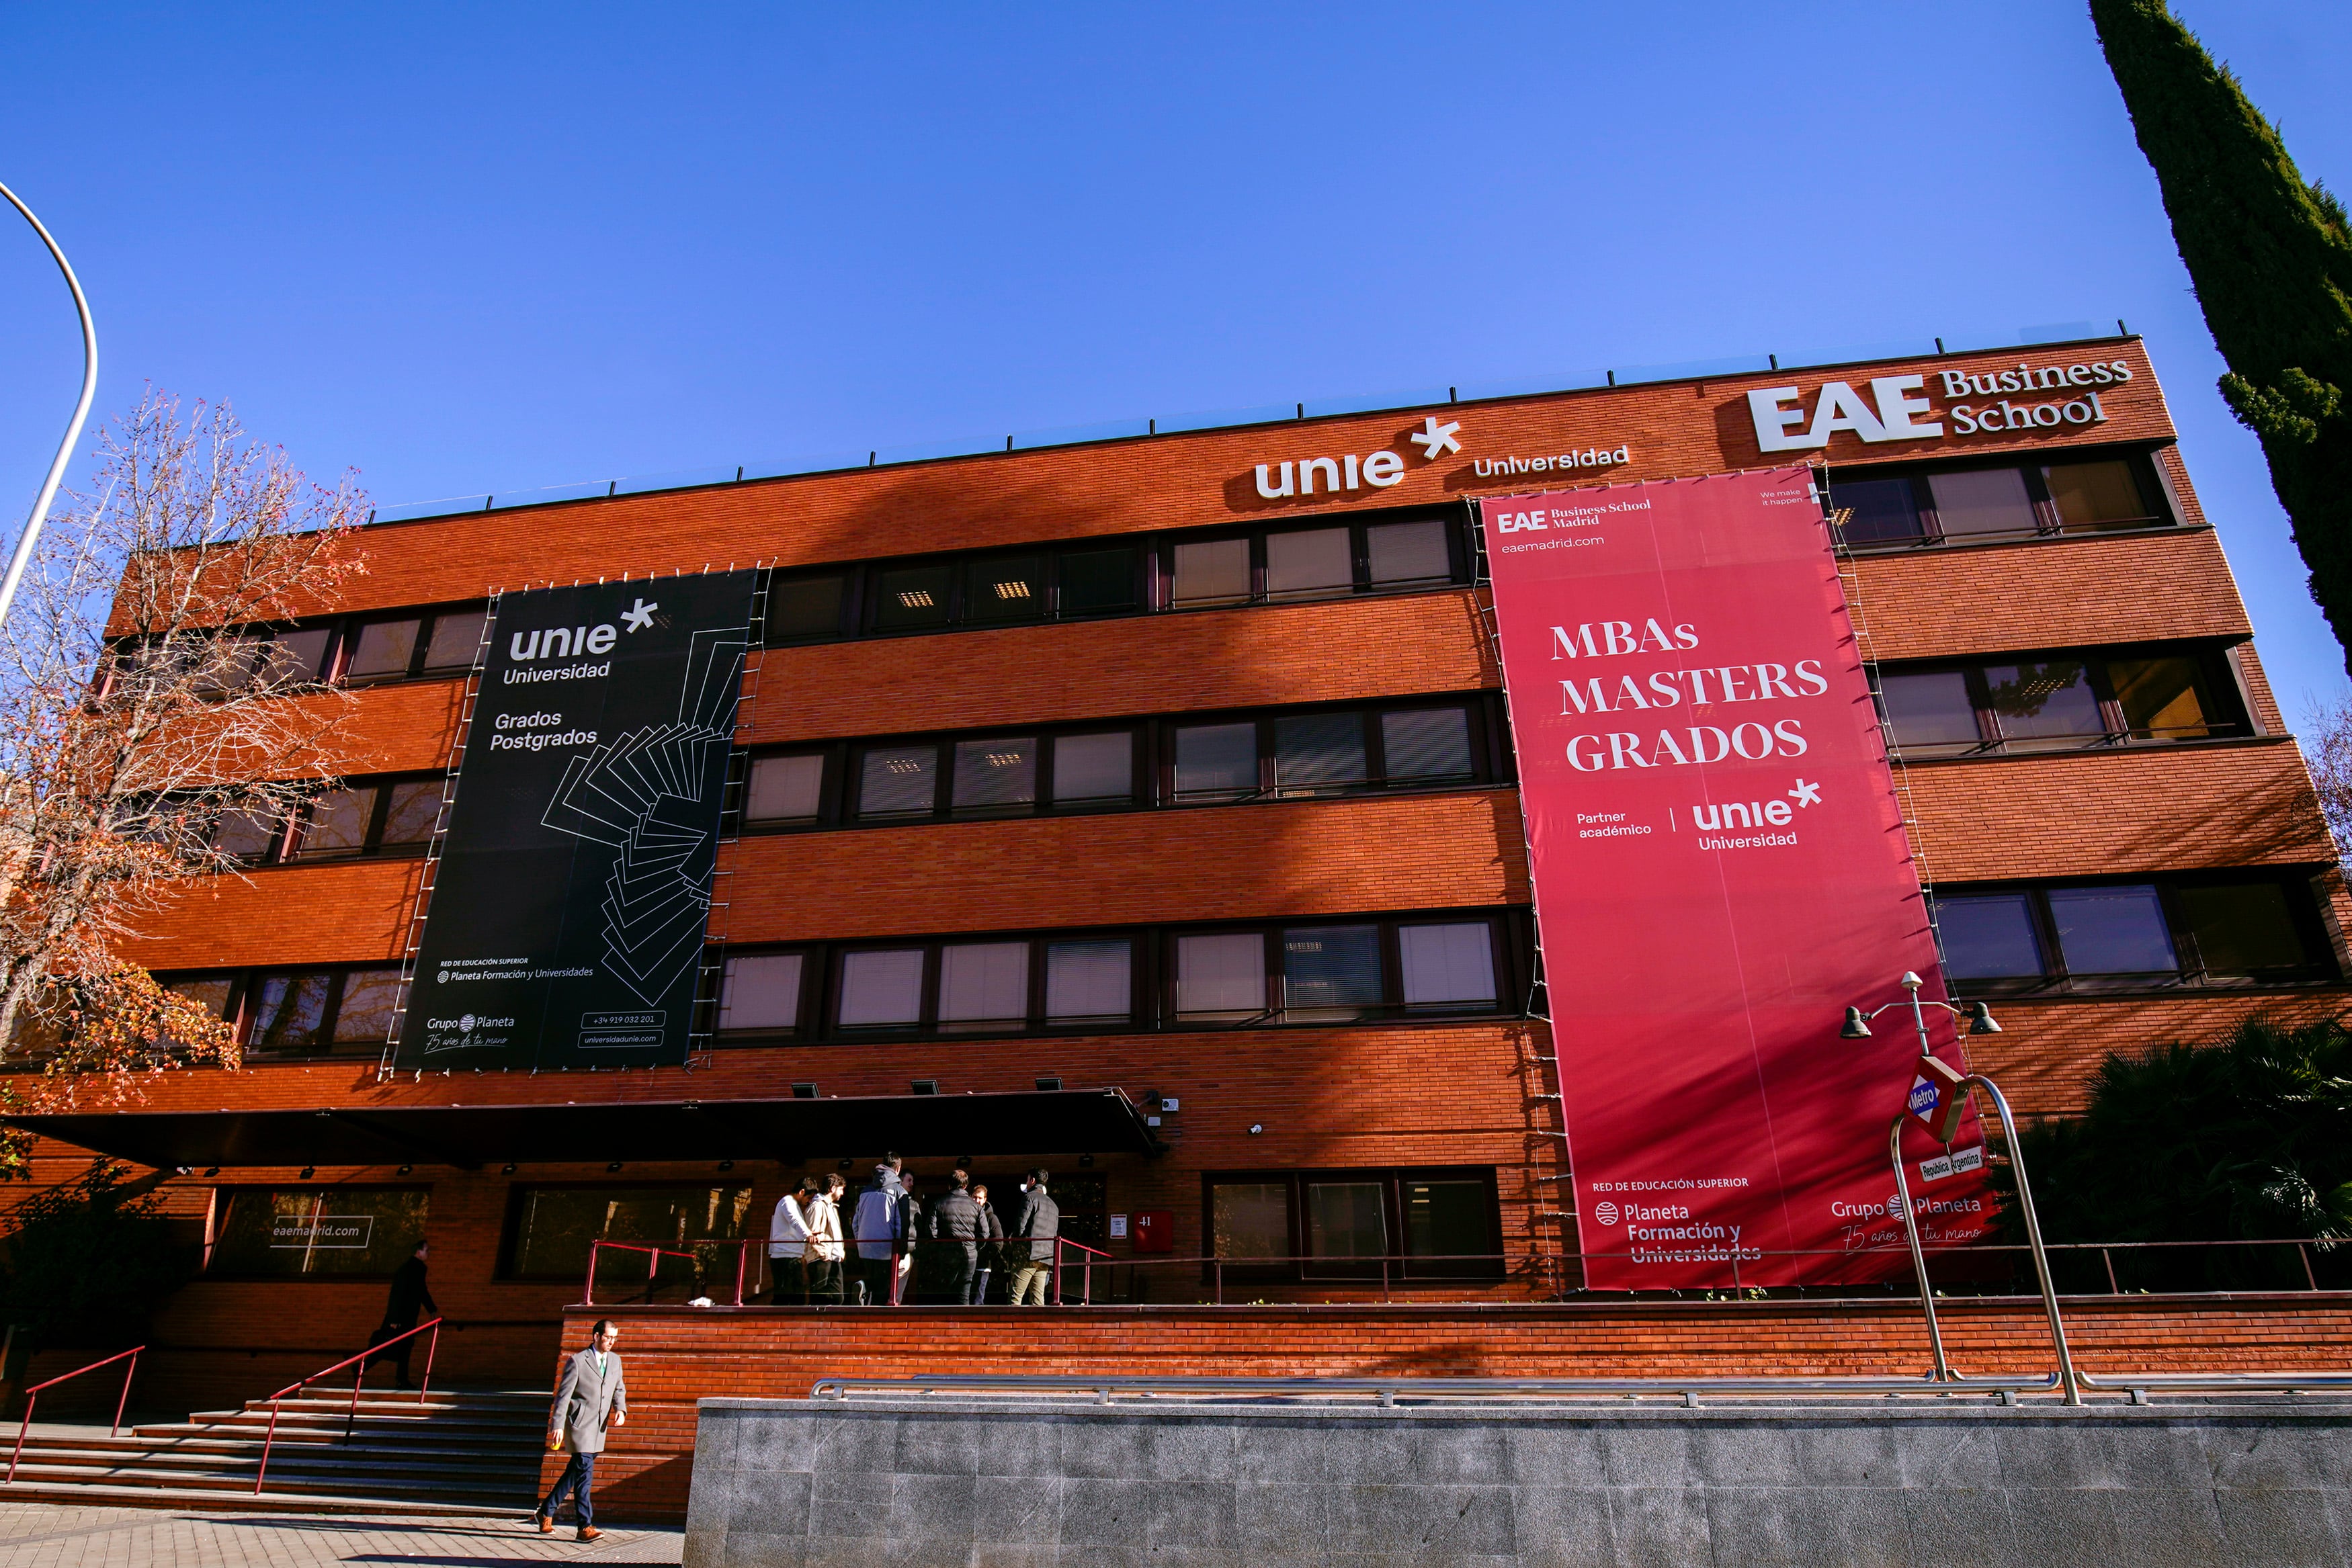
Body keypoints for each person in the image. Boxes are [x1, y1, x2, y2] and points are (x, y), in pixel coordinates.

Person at [536, 1318, 626, 1542]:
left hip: (599, 1428)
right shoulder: (577, 1361)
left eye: (614, 1338)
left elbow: (619, 1388)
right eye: (608, 1337)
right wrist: (557, 1426)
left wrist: (621, 1409)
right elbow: (563, 1396)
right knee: (585, 1473)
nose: (611, 1342)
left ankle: (546, 1511)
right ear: (596, 1336)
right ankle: (584, 1526)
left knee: (575, 1471)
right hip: (580, 1425)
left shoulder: (615, 1361)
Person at [366, 1239, 437, 1388]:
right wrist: (394, 1318)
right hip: (402, 1317)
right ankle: (364, 1369)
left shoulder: (415, 1268)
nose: (428, 1253)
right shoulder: (410, 1269)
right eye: (427, 1250)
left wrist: (431, 1309)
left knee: (403, 1346)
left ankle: (401, 1379)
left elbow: (421, 1291)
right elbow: (398, 1294)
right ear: (419, 1252)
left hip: (405, 1316)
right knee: (392, 1346)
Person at [850, 1157, 912, 1305]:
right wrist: (901, 1249)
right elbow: (902, 1224)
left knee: (875, 1283)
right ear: (898, 1169)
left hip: (865, 1247)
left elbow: (856, 1222)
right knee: (883, 1290)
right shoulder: (899, 1192)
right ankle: (867, 1292)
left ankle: (865, 1287)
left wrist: (861, 1242)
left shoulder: (865, 1191)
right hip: (887, 1248)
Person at [926, 1168, 980, 1306]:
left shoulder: (939, 1203)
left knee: (946, 1292)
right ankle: (963, 1324)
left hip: (947, 1252)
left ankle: (944, 1325)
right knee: (964, 1293)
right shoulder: (976, 1206)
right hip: (969, 1254)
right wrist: (974, 1247)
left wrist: (940, 1244)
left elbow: (931, 1230)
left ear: (949, 1185)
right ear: (965, 1186)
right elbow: (985, 1233)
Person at [1006, 1168, 1060, 1305]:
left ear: (1032, 1181)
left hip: (1028, 1254)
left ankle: (1011, 1326)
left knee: (1015, 1297)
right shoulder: (1053, 1206)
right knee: (1038, 1299)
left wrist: (1013, 1243)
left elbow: (1020, 1227)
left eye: (1027, 1179)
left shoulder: (1029, 1198)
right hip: (1046, 1257)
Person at [768, 1178, 814, 1304]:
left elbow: (793, 1228)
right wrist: (808, 1235)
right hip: (784, 1257)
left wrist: (808, 1235)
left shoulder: (794, 1205)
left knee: (796, 1297)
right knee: (784, 1296)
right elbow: (795, 1221)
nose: (808, 1202)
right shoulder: (787, 1202)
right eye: (808, 1198)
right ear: (802, 1192)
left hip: (793, 1256)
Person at [804, 1172, 847, 1304]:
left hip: (833, 1259)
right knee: (820, 1298)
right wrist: (823, 1254)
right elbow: (810, 1232)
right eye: (841, 1189)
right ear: (833, 1188)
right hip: (821, 1259)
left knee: (837, 1298)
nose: (842, 1193)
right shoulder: (817, 1206)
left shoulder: (832, 1207)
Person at [967, 1181, 1003, 1305]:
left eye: (980, 1198)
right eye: (975, 1197)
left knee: (978, 1299)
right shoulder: (967, 1214)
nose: (977, 1201)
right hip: (967, 1263)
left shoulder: (991, 1218)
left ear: (985, 1200)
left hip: (982, 1266)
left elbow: (998, 1241)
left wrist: (983, 1256)